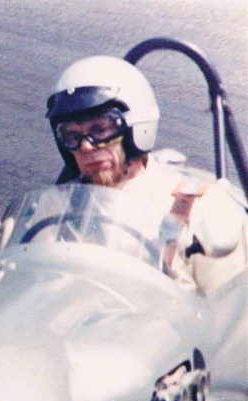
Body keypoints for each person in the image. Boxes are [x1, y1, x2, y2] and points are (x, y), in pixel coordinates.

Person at [45, 55, 247, 290]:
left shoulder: (202, 209)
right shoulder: (55, 207)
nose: (86, 146)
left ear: (136, 128)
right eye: (70, 135)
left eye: (100, 129)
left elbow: (230, 308)